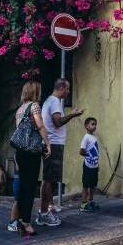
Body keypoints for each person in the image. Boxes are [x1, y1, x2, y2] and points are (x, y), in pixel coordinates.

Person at [39, 79, 84, 227]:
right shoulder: (55, 102)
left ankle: (48, 208)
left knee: (49, 179)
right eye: (68, 89)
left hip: (51, 143)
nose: (69, 92)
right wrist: (73, 115)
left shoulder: (49, 101)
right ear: (61, 88)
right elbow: (57, 122)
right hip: (54, 144)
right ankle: (44, 213)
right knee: (48, 180)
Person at [9, 80, 51, 236]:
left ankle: (21, 220)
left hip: (21, 152)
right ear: (35, 91)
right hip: (32, 151)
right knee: (30, 187)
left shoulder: (20, 109)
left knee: (23, 186)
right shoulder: (34, 106)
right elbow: (40, 126)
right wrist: (47, 143)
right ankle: (25, 222)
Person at [79, 117, 100, 212]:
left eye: (95, 124)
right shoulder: (86, 137)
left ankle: (90, 201)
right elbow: (81, 151)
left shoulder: (94, 137)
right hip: (88, 165)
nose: (94, 126)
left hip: (94, 165)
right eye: (92, 124)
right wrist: (89, 155)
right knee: (86, 184)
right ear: (86, 126)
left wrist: (97, 164)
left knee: (93, 185)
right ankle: (83, 203)